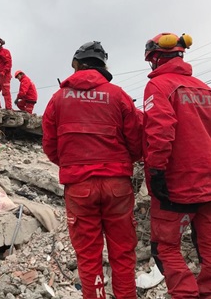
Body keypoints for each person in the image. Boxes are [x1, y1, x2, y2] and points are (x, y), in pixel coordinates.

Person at [42, 41, 142, 298]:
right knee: (122, 254)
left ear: (76, 65)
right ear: (103, 66)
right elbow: (136, 141)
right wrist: (122, 163)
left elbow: (50, 145)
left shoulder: (58, 99)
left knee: (88, 257)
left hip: (79, 188)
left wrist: (72, 166)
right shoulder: (118, 95)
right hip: (117, 186)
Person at [143, 32, 211, 298]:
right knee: (208, 246)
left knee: (165, 247)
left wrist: (157, 171)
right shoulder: (204, 87)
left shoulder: (158, 87)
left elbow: (160, 131)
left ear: (155, 59)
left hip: (176, 185)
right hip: (208, 184)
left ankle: (184, 294)